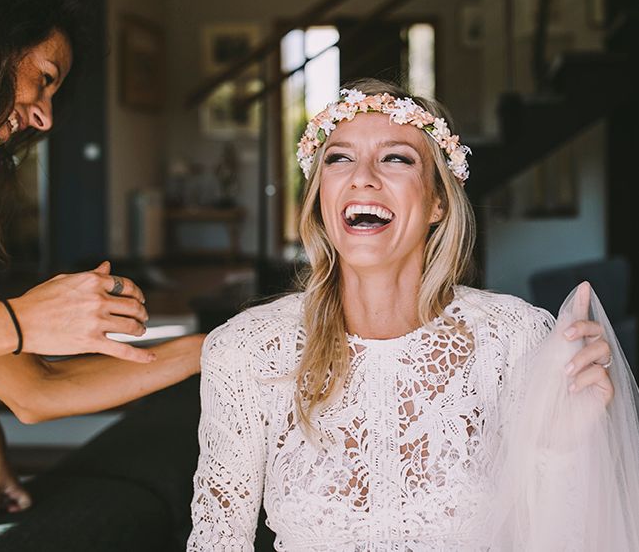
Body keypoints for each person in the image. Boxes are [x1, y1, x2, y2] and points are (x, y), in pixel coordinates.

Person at [187, 79, 636, 551]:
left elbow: (559, 535)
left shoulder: (516, 339)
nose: (362, 176)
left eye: (396, 158)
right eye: (339, 158)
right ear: (321, 196)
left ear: (438, 202)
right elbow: (217, 542)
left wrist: (567, 450)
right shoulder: (244, 351)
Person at [0, 0, 203, 551]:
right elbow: (7, 338)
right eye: (43, 80)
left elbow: (35, 391)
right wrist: (21, 320)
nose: (44, 117)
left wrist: (230, 343)